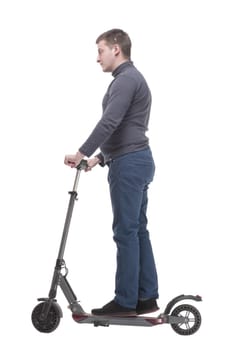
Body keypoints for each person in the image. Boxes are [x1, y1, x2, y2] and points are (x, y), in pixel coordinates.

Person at [64, 29, 159, 317]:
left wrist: (80, 152)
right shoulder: (130, 79)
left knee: (125, 233)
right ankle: (146, 297)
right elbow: (126, 126)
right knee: (137, 230)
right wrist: (99, 158)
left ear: (116, 49)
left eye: (100, 50)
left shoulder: (126, 80)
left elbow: (110, 123)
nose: (97, 58)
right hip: (135, 159)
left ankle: (126, 301)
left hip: (129, 165)